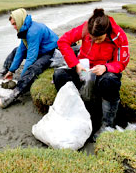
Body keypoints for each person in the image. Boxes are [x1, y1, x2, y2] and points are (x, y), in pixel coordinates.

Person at [53, 8, 130, 139]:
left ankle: (107, 125)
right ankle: (73, 114)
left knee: (110, 82)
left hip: (104, 73)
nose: (95, 41)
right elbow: (63, 42)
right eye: (92, 38)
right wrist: (75, 63)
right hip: (83, 69)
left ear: (107, 32)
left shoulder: (119, 36)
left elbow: (122, 62)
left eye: (99, 39)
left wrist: (106, 67)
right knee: (59, 76)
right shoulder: (84, 28)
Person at [0, 8, 59, 108]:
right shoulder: (24, 28)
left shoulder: (33, 31)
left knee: (35, 67)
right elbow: (21, 50)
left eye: (14, 24)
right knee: (16, 50)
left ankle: (15, 93)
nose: (13, 27)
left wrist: (22, 77)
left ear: (20, 20)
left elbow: (31, 58)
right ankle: (4, 72)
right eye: (12, 24)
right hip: (40, 49)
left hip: (50, 51)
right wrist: (11, 71)